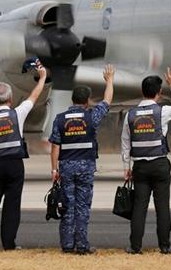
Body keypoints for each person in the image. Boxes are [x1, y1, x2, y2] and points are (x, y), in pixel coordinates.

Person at [49, 64, 115, 255]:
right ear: (87, 100)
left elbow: (55, 146)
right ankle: (82, 246)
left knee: (66, 206)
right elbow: (107, 101)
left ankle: (67, 245)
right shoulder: (91, 117)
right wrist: (109, 80)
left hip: (66, 167)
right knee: (82, 207)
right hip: (85, 167)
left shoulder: (60, 119)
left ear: (72, 99)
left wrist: (54, 170)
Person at [122, 67, 171, 255]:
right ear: (158, 93)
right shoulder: (161, 112)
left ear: (142, 92)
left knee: (139, 208)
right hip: (160, 164)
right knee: (162, 206)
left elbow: (125, 142)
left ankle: (135, 246)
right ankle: (165, 245)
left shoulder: (130, 115)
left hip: (139, 166)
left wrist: (126, 166)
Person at [0, 59, 46, 251]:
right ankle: (9, 244)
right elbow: (34, 97)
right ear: (10, 100)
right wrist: (42, 78)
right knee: (12, 205)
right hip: (14, 164)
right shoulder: (17, 114)